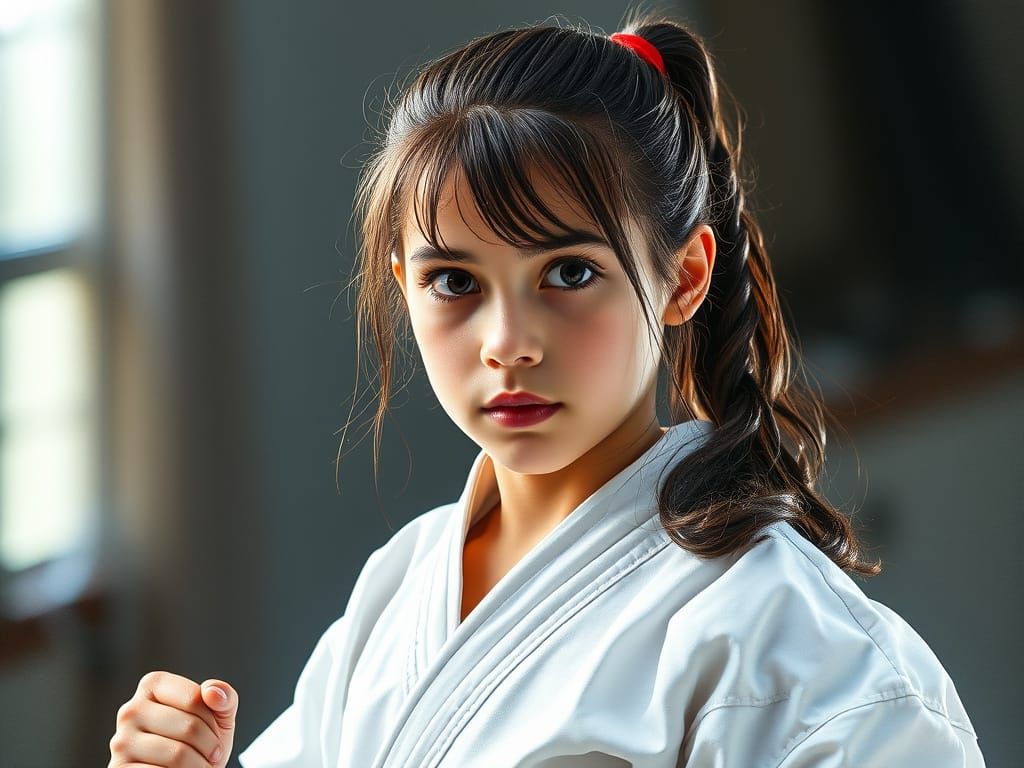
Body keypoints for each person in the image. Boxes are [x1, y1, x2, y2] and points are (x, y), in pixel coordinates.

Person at [108, 9, 987, 768]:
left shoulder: (796, 649)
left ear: (684, 277)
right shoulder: (401, 590)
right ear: (403, 285)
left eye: (567, 273)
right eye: (454, 281)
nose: (508, 345)